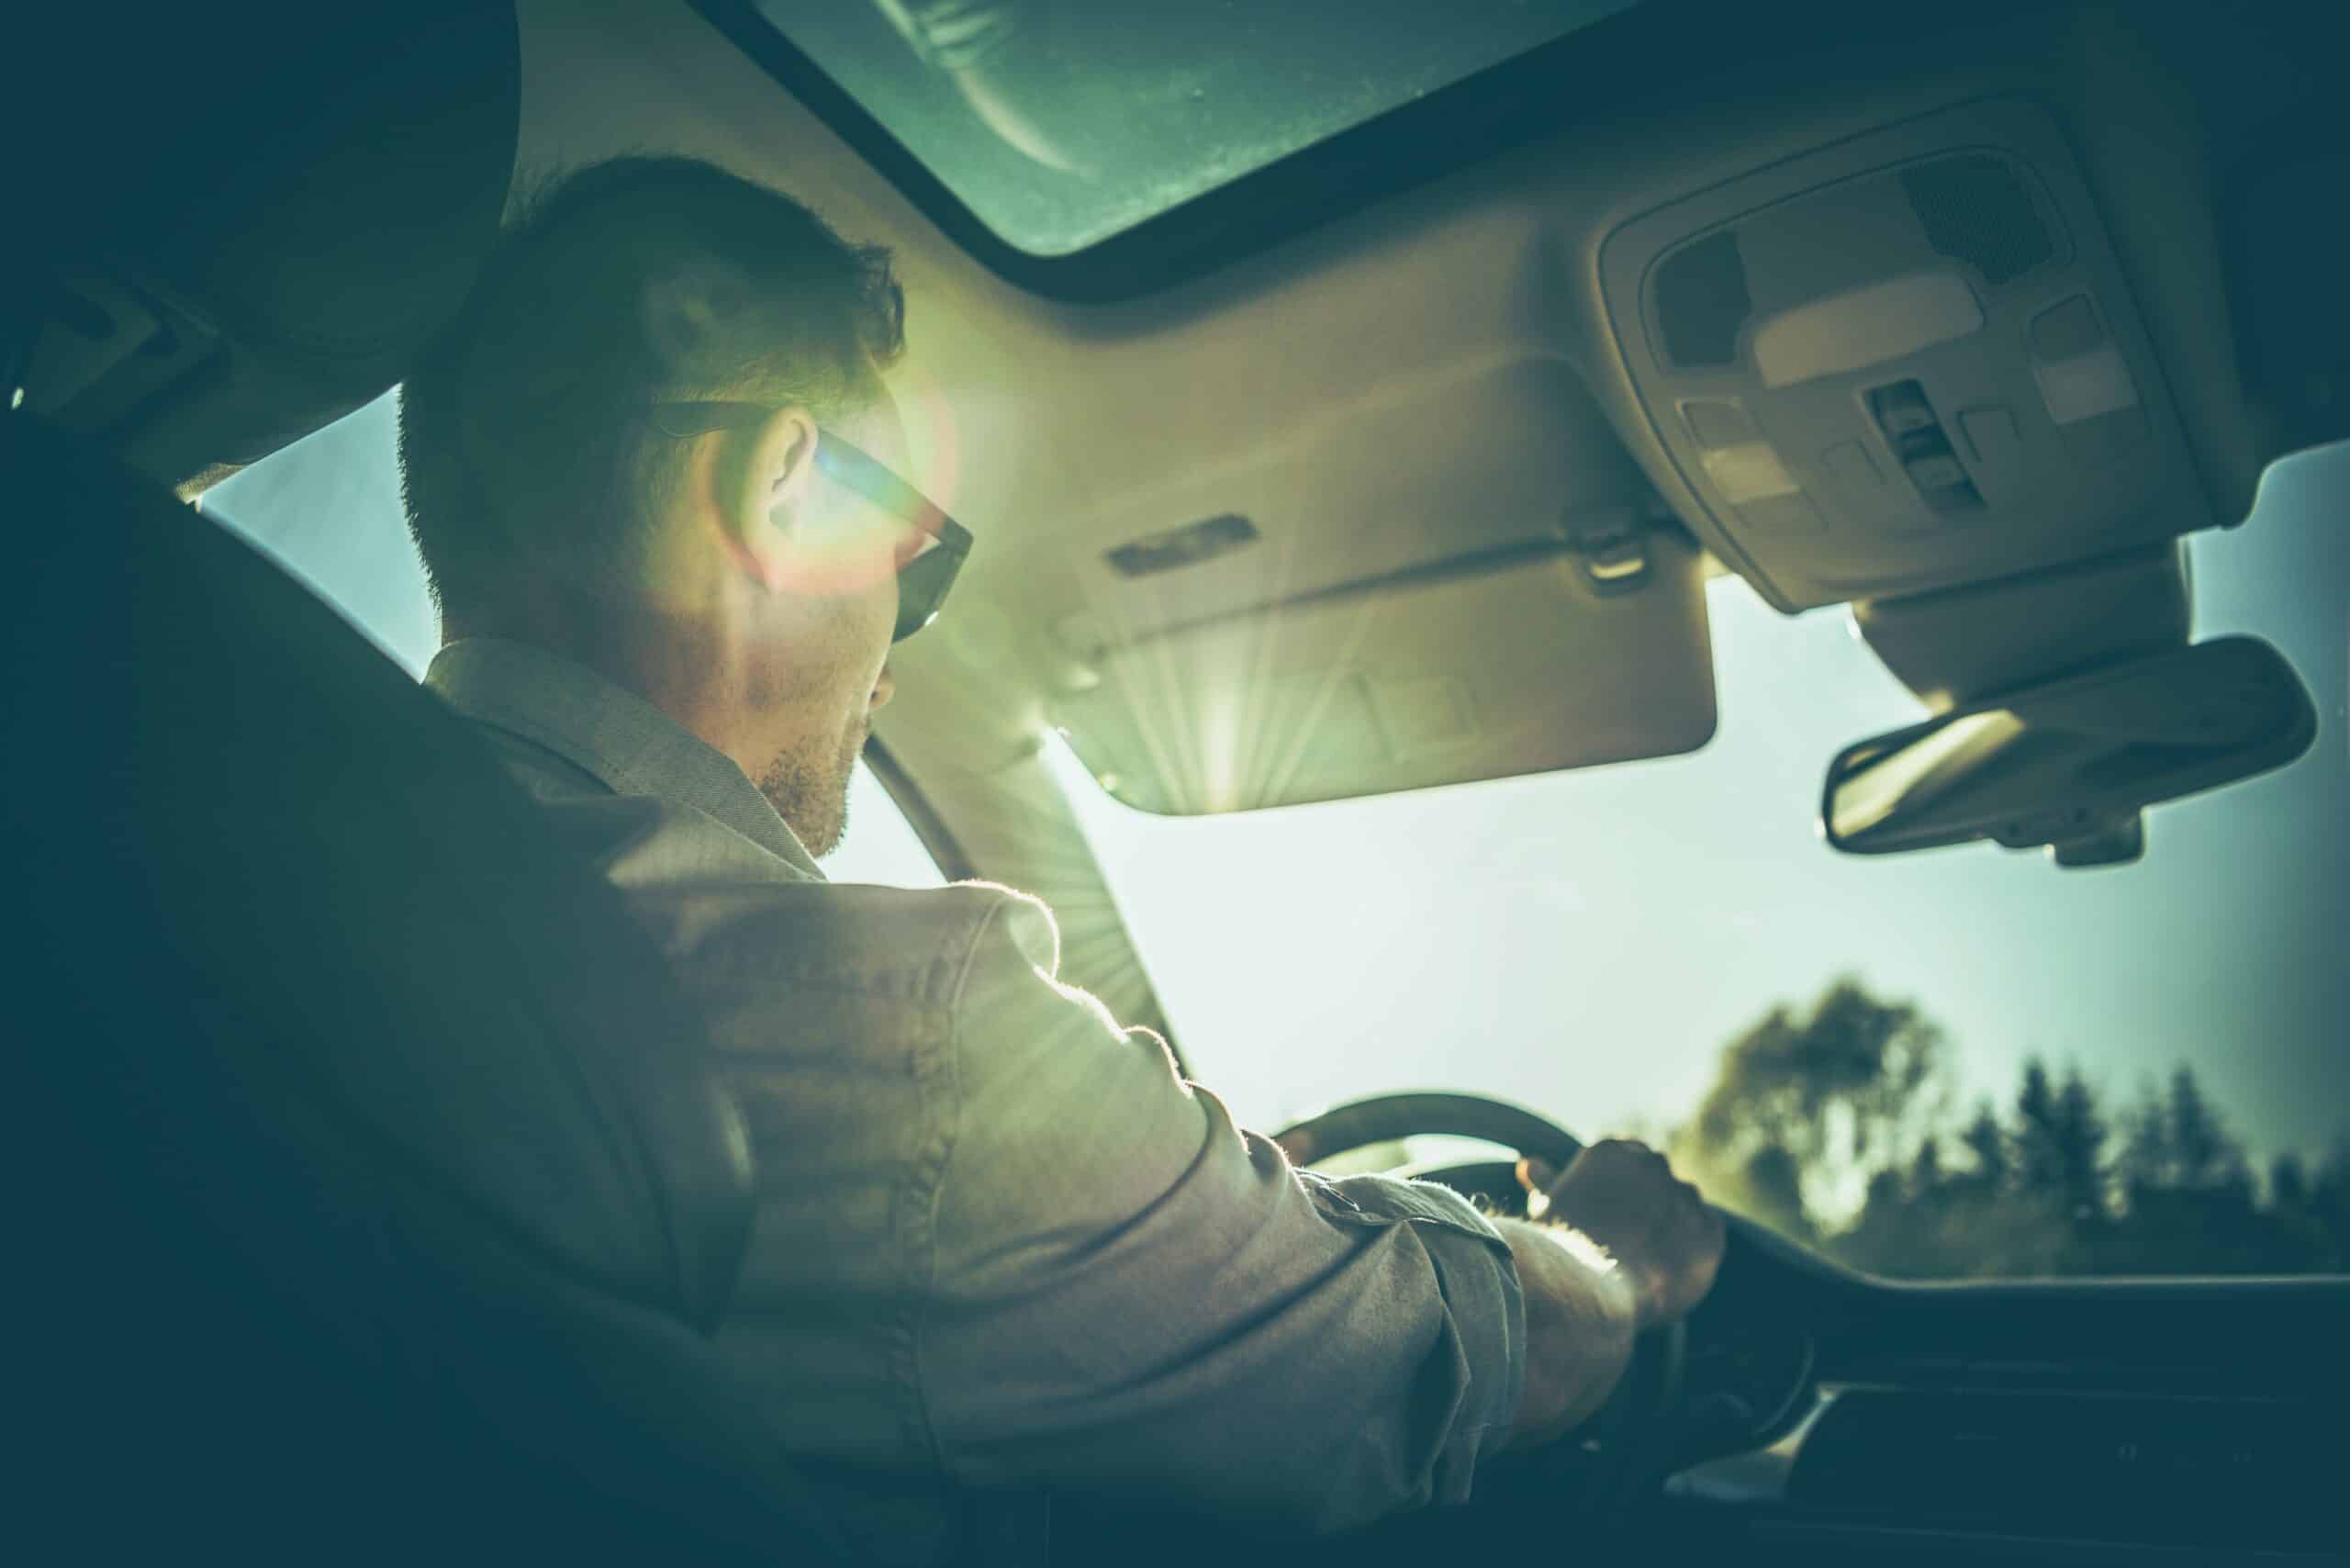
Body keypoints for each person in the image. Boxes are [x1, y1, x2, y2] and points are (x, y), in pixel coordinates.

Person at [397, 155, 1724, 1564]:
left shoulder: (305, 903)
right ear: (788, 493)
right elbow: (1453, 1354)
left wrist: (1182, 1192)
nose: (892, 663)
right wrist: (1617, 1264)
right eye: (912, 554)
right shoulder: (896, 1038)